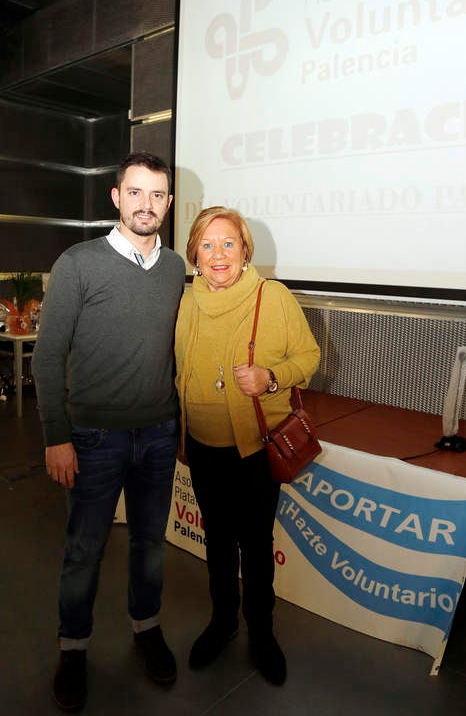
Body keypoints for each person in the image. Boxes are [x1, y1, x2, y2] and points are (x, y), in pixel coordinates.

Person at [32, 151, 186, 712]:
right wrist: (56, 435)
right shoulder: (77, 263)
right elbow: (46, 359)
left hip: (158, 436)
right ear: (116, 197)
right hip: (93, 437)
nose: (147, 204)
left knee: (149, 546)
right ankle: (73, 648)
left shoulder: (174, 270)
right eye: (136, 192)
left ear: (168, 204)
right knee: (84, 550)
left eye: (158, 195)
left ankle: (146, 630)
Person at [174, 206, 320, 685]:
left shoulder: (270, 296)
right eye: (208, 244)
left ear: (244, 251)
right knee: (216, 541)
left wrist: (271, 377)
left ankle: (262, 633)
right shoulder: (187, 300)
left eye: (229, 244)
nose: (219, 254)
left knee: (256, 547)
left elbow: (310, 356)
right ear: (194, 252)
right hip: (201, 445)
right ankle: (221, 623)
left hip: (254, 451)